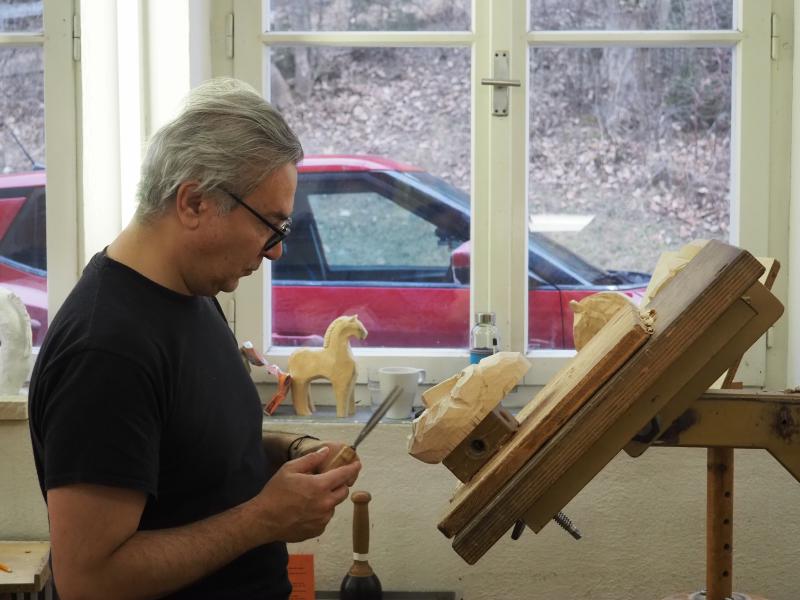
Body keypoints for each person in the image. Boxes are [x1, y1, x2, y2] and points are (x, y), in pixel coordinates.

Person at [28, 77, 361, 600]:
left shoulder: (192, 293)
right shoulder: (106, 350)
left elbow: (195, 449)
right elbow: (88, 580)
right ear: (194, 202)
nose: (275, 251)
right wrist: (263, 519)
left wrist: (291, 451)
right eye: (269, 225)